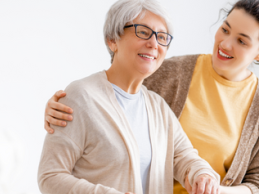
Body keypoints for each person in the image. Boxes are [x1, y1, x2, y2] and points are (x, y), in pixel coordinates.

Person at [44, 0, 259, 193]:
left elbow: (184, 156)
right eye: (143, 32)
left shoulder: (157, 106)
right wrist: (67, 99)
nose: (154, 44)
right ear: (112, 39)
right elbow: (51, 176)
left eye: (162, 37)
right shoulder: (81, 96)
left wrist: (204, 176)